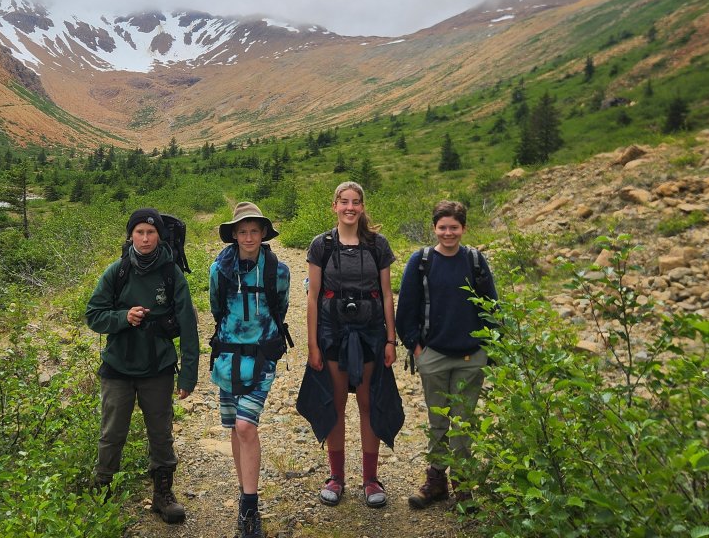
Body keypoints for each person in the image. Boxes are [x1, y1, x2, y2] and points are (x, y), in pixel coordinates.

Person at [85, 208, 199, 524]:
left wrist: (189, 373)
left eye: (151, 233)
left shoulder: (171, 273)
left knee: (160, 433)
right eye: (139, 232)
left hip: (158, 367)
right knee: (111, 433)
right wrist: (123, 318)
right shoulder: (117, 272)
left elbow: (189, 325)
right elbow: (93, 315)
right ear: (131, 235)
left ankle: (163, 494)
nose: (145, 238)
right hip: (118, 368)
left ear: (159, 236)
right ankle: (103, 490)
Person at [297, 181, 404, 509]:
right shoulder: (321, 245)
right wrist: (312, 344)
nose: (350, 207)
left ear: (362, 206)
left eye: (356, 202)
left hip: (371, 331)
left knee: (369, 404)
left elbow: (387, 295)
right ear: (334, 206)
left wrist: (390, 338)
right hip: (332, 332)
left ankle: (371, 480)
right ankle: (337, 477)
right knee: (336, 404)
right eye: (344, 202)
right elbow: (313, 298)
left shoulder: (378, 245)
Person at [394, 200, 497, 511]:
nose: (448, 232)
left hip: (471, 356)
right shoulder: (422, 260)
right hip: (434, 354)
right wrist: (415, 346)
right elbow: (406, 309)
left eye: (454, 227)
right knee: (438, 420)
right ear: (434, 228)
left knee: (464, 423)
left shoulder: (475, 261)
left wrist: (491, 346)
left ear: (464, 228)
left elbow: (491, 305)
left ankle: (463, 485)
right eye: (443, 227)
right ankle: (436, 480)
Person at [209, 201, 291, 538]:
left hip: (262, 357)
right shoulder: (220, 269)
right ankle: (245, 492)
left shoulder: (278, 271)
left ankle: (249, 506)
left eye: (253, 230)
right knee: (234, 427)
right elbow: (217, 308)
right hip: (228, 358)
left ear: (262, 233)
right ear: (234, 235)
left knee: (245, 425)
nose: (248, 236)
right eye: (242, 231)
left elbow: (280, 308)